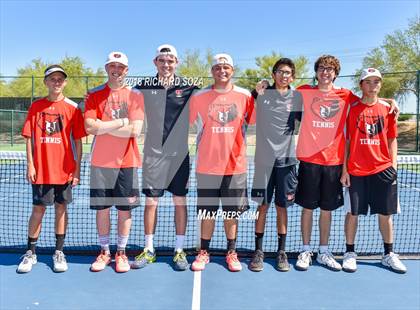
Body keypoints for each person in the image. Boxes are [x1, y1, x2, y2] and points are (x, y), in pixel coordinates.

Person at [131, 44, 198, 271]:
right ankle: (149, 249)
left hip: (179, 156)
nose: (166, 64)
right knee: (151, 203)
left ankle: (179, 250)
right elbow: (118, 93)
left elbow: (214, 96)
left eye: (170, 61)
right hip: (153, 155)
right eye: (162, 60)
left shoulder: (189, 87)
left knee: (180, 202)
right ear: (155, 62)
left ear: (176, 63)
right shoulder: (143, 87)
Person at [189, 53, 255, 272]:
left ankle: (231, 252)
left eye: (226, 67)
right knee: (207, 213)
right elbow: (183, 122)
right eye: (218, 68)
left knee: (231, 214)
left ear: (232, 71)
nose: (222, 71)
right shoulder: (199, 97)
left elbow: (257, 120)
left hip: (235, 167)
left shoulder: (245, 96)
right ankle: (203, 251)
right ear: (212, 71)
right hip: (207, 167)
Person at [18, 65, 86, 273]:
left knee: (61, 209)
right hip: (41, 171)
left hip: (64, 171)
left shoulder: (73, 108)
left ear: (65, 82)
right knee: (38, 210)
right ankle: (30, 253)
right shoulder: (36, 106)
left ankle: (59, 252)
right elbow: (29, 138)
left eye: (60, 79)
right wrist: (30, 164)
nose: (56, 82)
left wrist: (76, 170)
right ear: (46, 82)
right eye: (52, 79)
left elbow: (78, 142)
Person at [340, 68, 407, 273]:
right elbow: (347, 142)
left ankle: (388, 254)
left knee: (386, 214)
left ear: (380, 84)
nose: (372, 85)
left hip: (383, 170)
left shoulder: (388, 109)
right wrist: (345, 170)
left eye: (376, 81)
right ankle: (350, 253)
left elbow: (392, 139)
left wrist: (393, 166)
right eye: (367, 82)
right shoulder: (351, 109)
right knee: (353, 213)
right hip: (357, 170)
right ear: (361, 85)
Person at [84, 52, 144, 273]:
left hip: (127, 163)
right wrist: (121, 121)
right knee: (103, 210)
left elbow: (135, 131)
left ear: (126, 70)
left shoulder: (135, 95)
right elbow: (90, 128)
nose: (116, 70)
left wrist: (103, 126)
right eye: (112, 66)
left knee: (124, 210)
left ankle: (121, 252)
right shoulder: (94, 94)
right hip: (100, 162)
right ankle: (104, 251)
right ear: (106, 68)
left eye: (120, 66)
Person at [249, 58, 302, 272]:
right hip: (263, 162)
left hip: (287, 163)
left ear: (293, 76)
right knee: (262, 207)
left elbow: (308, 118)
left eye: (288, 72)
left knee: (282, 208)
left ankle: (282, 252)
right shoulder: (262, 94)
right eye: (280, 71)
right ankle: (258, 251)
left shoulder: (297, 97)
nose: (283, 75)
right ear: (273, 74)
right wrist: (255, 91)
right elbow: (246, 105)